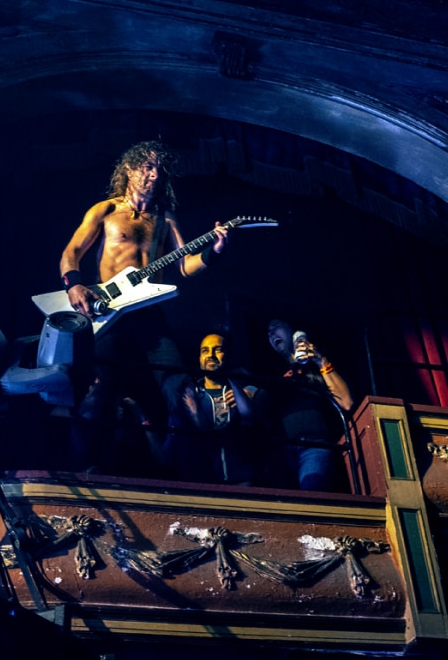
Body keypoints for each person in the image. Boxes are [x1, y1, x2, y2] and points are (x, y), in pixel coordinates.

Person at [58, 141, 228, 473]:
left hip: (149, 316)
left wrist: (215, 250)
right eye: (147, 167)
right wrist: (75, 284)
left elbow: (184, 265)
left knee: (180, 387)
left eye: (159, 170)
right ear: (129, 169)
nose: (154, 175)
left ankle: (192, 472)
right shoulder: (106, 211)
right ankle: (86, 468)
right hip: (108, 313)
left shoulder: (165, 218)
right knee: (97, 391)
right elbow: (71, 251)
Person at [265, 319, 354, 491]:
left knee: (311, 493)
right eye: (268, 334)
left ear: (292, 331)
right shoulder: (274, 373)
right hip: (283, 451)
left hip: (314, 445)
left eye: (276, 327)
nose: (271, 334)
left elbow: (347, 402)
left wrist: (321, 360)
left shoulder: (317, 363)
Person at [164, 332, 261, 484]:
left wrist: (250, 389)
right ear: (199, 359)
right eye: (205, 351)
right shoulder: (189, 396)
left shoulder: (241, 391)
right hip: (203, 483)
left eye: (217, 350)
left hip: (243, 480)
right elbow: (171, 451)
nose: (210, 355)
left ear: (227, 356)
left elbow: (252, 416)